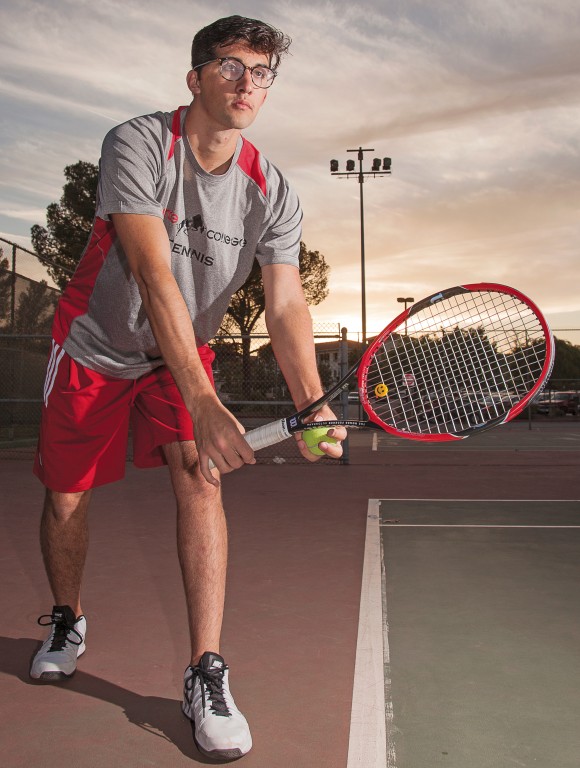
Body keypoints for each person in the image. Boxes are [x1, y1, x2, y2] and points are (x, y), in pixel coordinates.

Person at [29, 14, 346, 762]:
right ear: (196, 77)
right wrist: (204, 401)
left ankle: (206, 669)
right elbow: (150, 271)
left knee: (201, 482)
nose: (248, 85)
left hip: (179, 355)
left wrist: (309, 399)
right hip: (96, 345)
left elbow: (287, 303)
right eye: (233, 67)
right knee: (68, 495)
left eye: (262, 73)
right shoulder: (139, 143)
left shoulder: (272, 190)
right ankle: (69, 617)